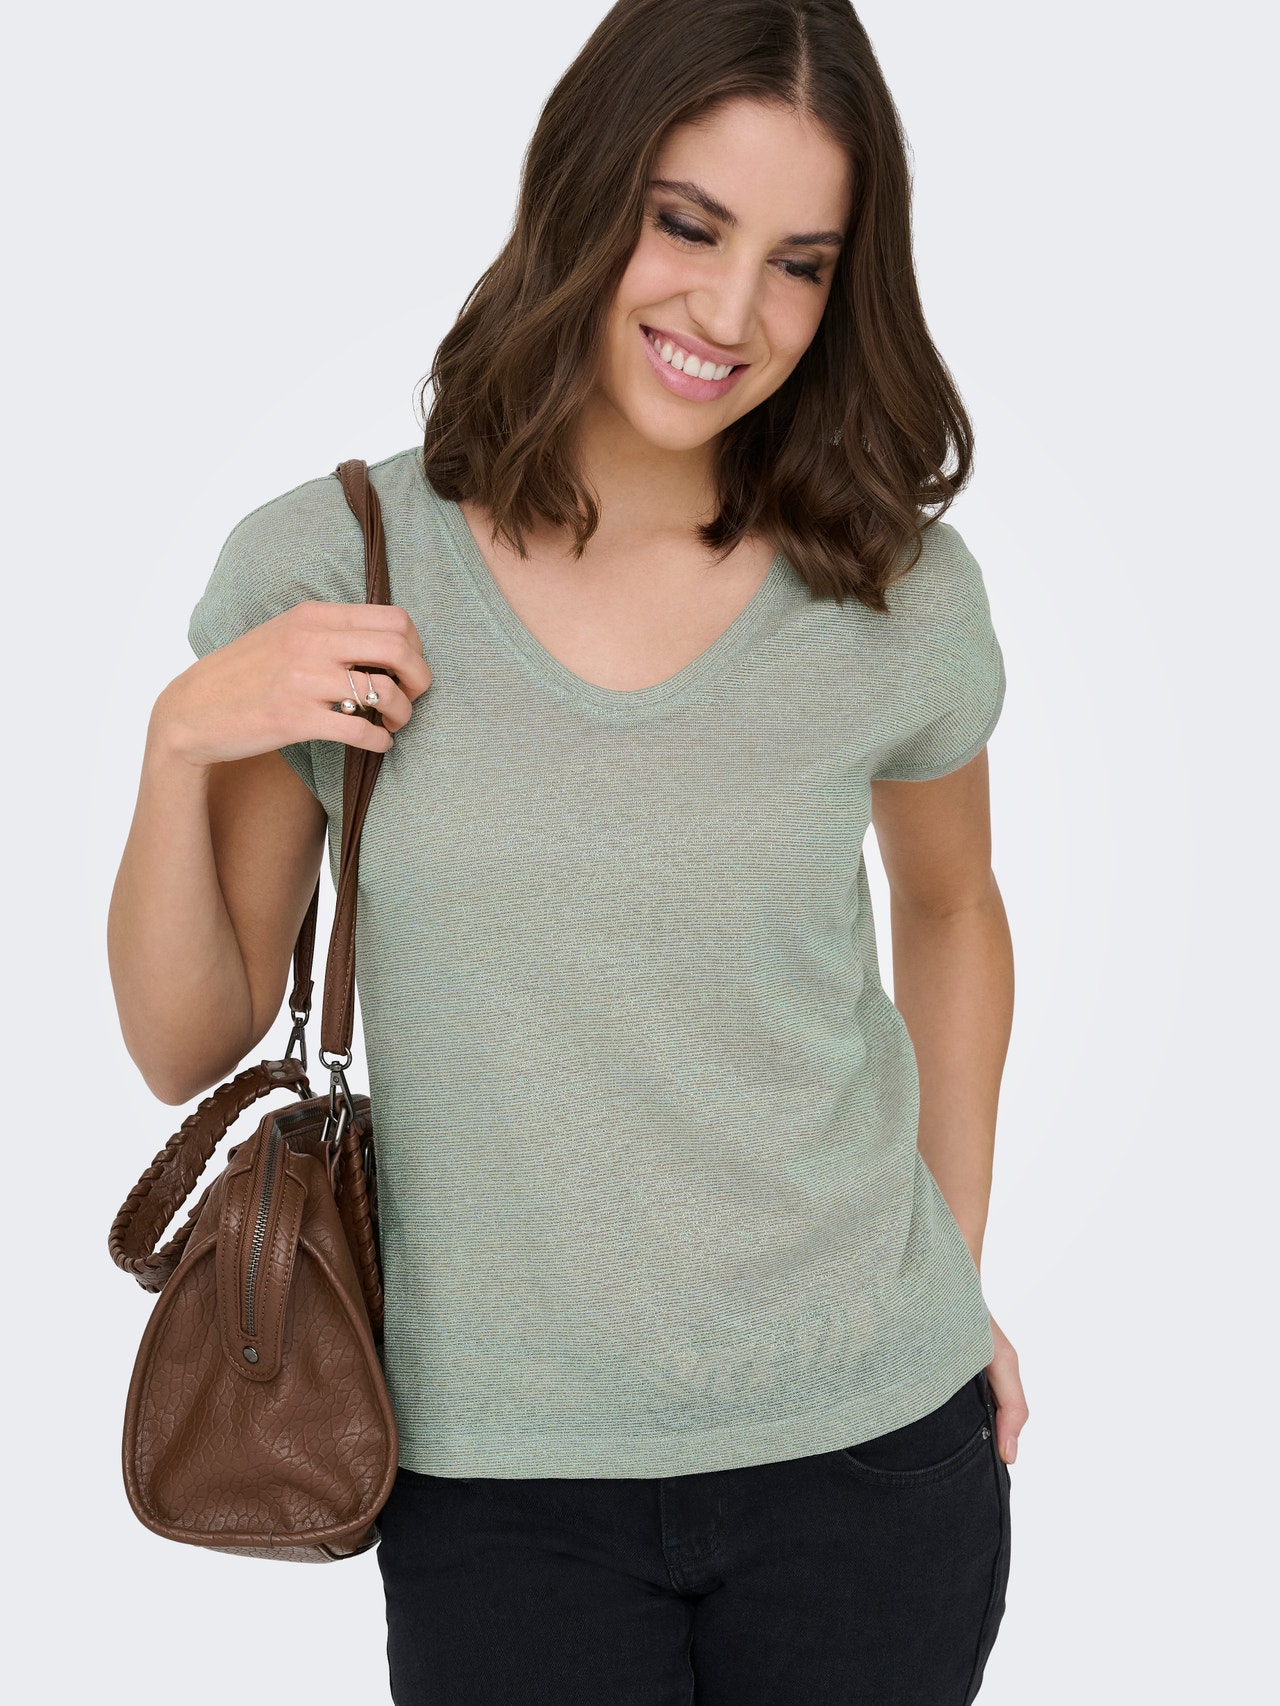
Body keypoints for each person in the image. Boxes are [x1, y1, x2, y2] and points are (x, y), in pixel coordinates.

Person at [108, 1, 1029, 1699]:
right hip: (497, 1484)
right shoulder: (340, 566)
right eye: (688, 225)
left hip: (872, 1450)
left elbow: (954, 902)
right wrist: (181, 739)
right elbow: (186, 1038)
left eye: (801, 264)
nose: (730, 314)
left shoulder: (891, 586)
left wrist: (954, 1267)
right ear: (585, 190)